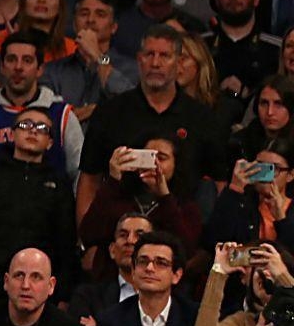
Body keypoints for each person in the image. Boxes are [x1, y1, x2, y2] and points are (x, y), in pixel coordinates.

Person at [80, 26, 227, 217]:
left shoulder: (201, 117)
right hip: (119, 231)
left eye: (165, 56)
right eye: (149, 54)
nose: (155, 63)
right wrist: (88, 241)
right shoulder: (111, 111)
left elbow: (219, 183)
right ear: (139, 59)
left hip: (183, 233)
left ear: (178, 62)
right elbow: (90, 180)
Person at [0, 107, 78, 315]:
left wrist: (63, 296)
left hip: (41, 289)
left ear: (50, 143)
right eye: (25, 125)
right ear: (12, 134)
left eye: (41, 128)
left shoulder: (59, 184)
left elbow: (65, 243)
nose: (33, 131)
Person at [0, 31, 84, 175]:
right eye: (11, 59)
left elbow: (80, 171)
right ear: (2, 67)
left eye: (27, 60)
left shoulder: (62, 114)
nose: (18, 67)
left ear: (40, 69)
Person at [46, 0, 138, 125]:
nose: (90, 20)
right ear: (74, 24)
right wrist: (100, 110)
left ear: (113, 27)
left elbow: (131, 106)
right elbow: (49, 119)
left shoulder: (132, 69)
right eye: (84, 14)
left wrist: (98, 56)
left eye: (100, 15)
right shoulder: (54, 71)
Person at [0, 248, 75, 326]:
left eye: (36, 277)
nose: (25, 285)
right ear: (6, 281)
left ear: (51, 286)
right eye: (19, 275)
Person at [69, 214, 150, 326]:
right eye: (123, 235)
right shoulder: (87, 297)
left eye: (139, 236)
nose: (130, 240)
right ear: (112, 250)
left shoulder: (176, 300)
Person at [107, 231, 197, 326]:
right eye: (143, 261)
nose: (149, 268)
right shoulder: (110, 320)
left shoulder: (196, 317)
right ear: (133, 271)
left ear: (176, 275)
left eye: (161, 263)